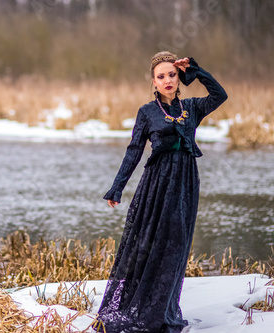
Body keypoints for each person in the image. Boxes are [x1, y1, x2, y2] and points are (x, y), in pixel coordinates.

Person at [93, 51, 228, 333]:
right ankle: (141, 309)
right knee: (148, 244)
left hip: (185, 185)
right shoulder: (147, 112)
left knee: (175, 246)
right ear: (153, 82)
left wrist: (198, 71)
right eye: (161, 76)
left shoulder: (192, 106)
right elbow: (134, 152)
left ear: (179, 79)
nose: (167, 80)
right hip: (156, 185)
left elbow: (220, 95)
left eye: (171, 74)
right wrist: (117, 187)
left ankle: (163, 311)